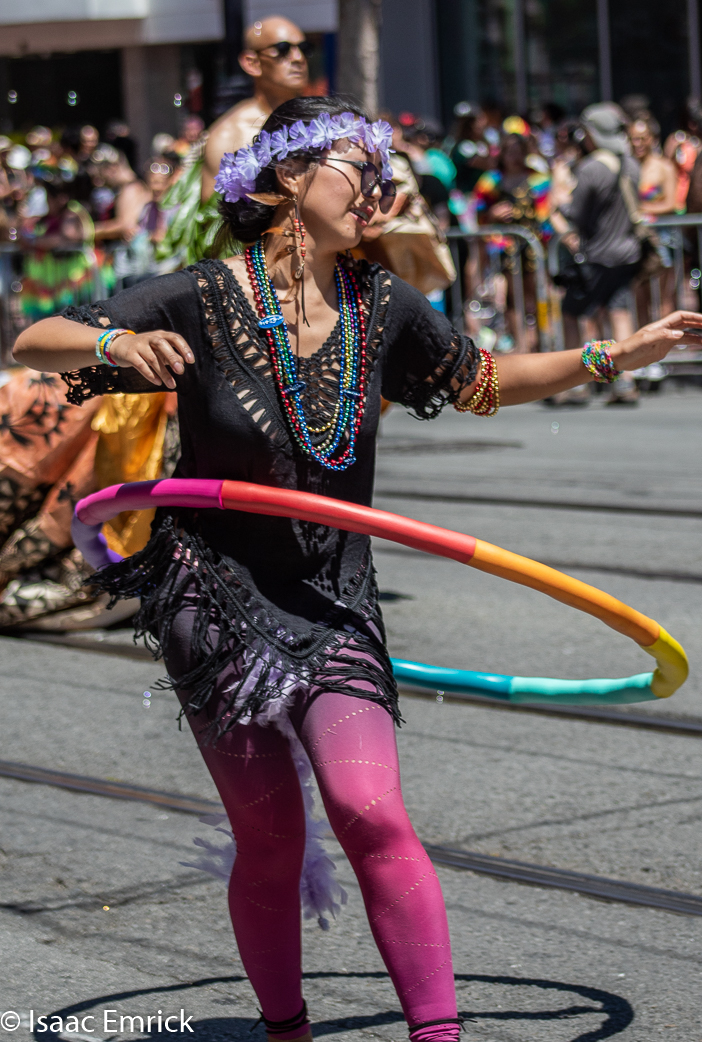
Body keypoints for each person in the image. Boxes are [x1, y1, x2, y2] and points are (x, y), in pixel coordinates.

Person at [15, 97, 701, 1042]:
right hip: (217, 607)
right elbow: (33, 339)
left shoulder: (383, 304)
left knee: (371, 811)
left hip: (335, 601)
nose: (381, 189)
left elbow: (484, 380)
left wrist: (611, 354)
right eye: (357, 167)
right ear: (288, 179)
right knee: (271, 842)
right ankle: (287, 1028)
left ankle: (439, 1034)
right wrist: (114, 342)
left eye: (387, 175)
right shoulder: (202, 296)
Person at [155, 15, 309, 269]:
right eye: (282, 49)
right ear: (252, 63)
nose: (298, 58)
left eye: (304, 49)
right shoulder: (230, 134)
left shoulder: (317, 120)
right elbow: (217, 233)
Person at [557, 103, 642, 402]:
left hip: (595, 254)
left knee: (575, 315)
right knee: (620, 313)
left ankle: (576, 384)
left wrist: (559, 201)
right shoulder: (631, 164)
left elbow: (575, 213)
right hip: (627, 252)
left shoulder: (591, 167)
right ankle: (625, 382)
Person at [629, 115, 677, 320]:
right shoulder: (627, 168)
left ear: (652, 139)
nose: (637, 144)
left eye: (642, 138)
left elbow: (672, 203)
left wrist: (640, 208)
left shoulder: (664, 166)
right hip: (636, 240)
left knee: (664, 298)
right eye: (633, 138)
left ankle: (670, 347)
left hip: (662, 239)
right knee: (639, 298)